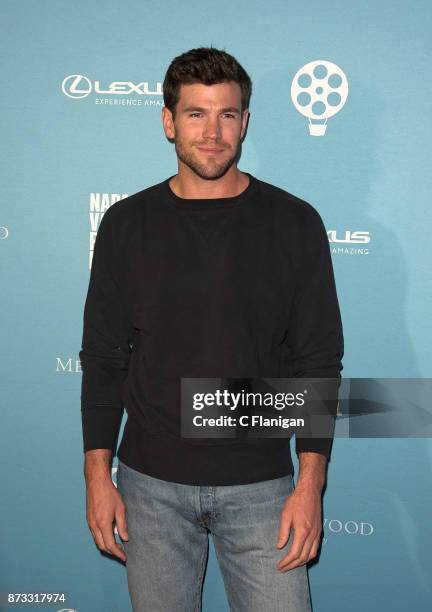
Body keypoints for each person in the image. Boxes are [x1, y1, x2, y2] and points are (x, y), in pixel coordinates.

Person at [79, 46, 344, 612]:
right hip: (150, 489)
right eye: (196, 114)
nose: (212, 132)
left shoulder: (294, 222)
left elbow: (318, 360)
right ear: (168, 121)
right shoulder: (126, 224)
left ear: (245, 122)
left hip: (264, 489)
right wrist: (99, 477)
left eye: (227, 114)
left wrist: (309, 483)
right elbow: (104, 359)